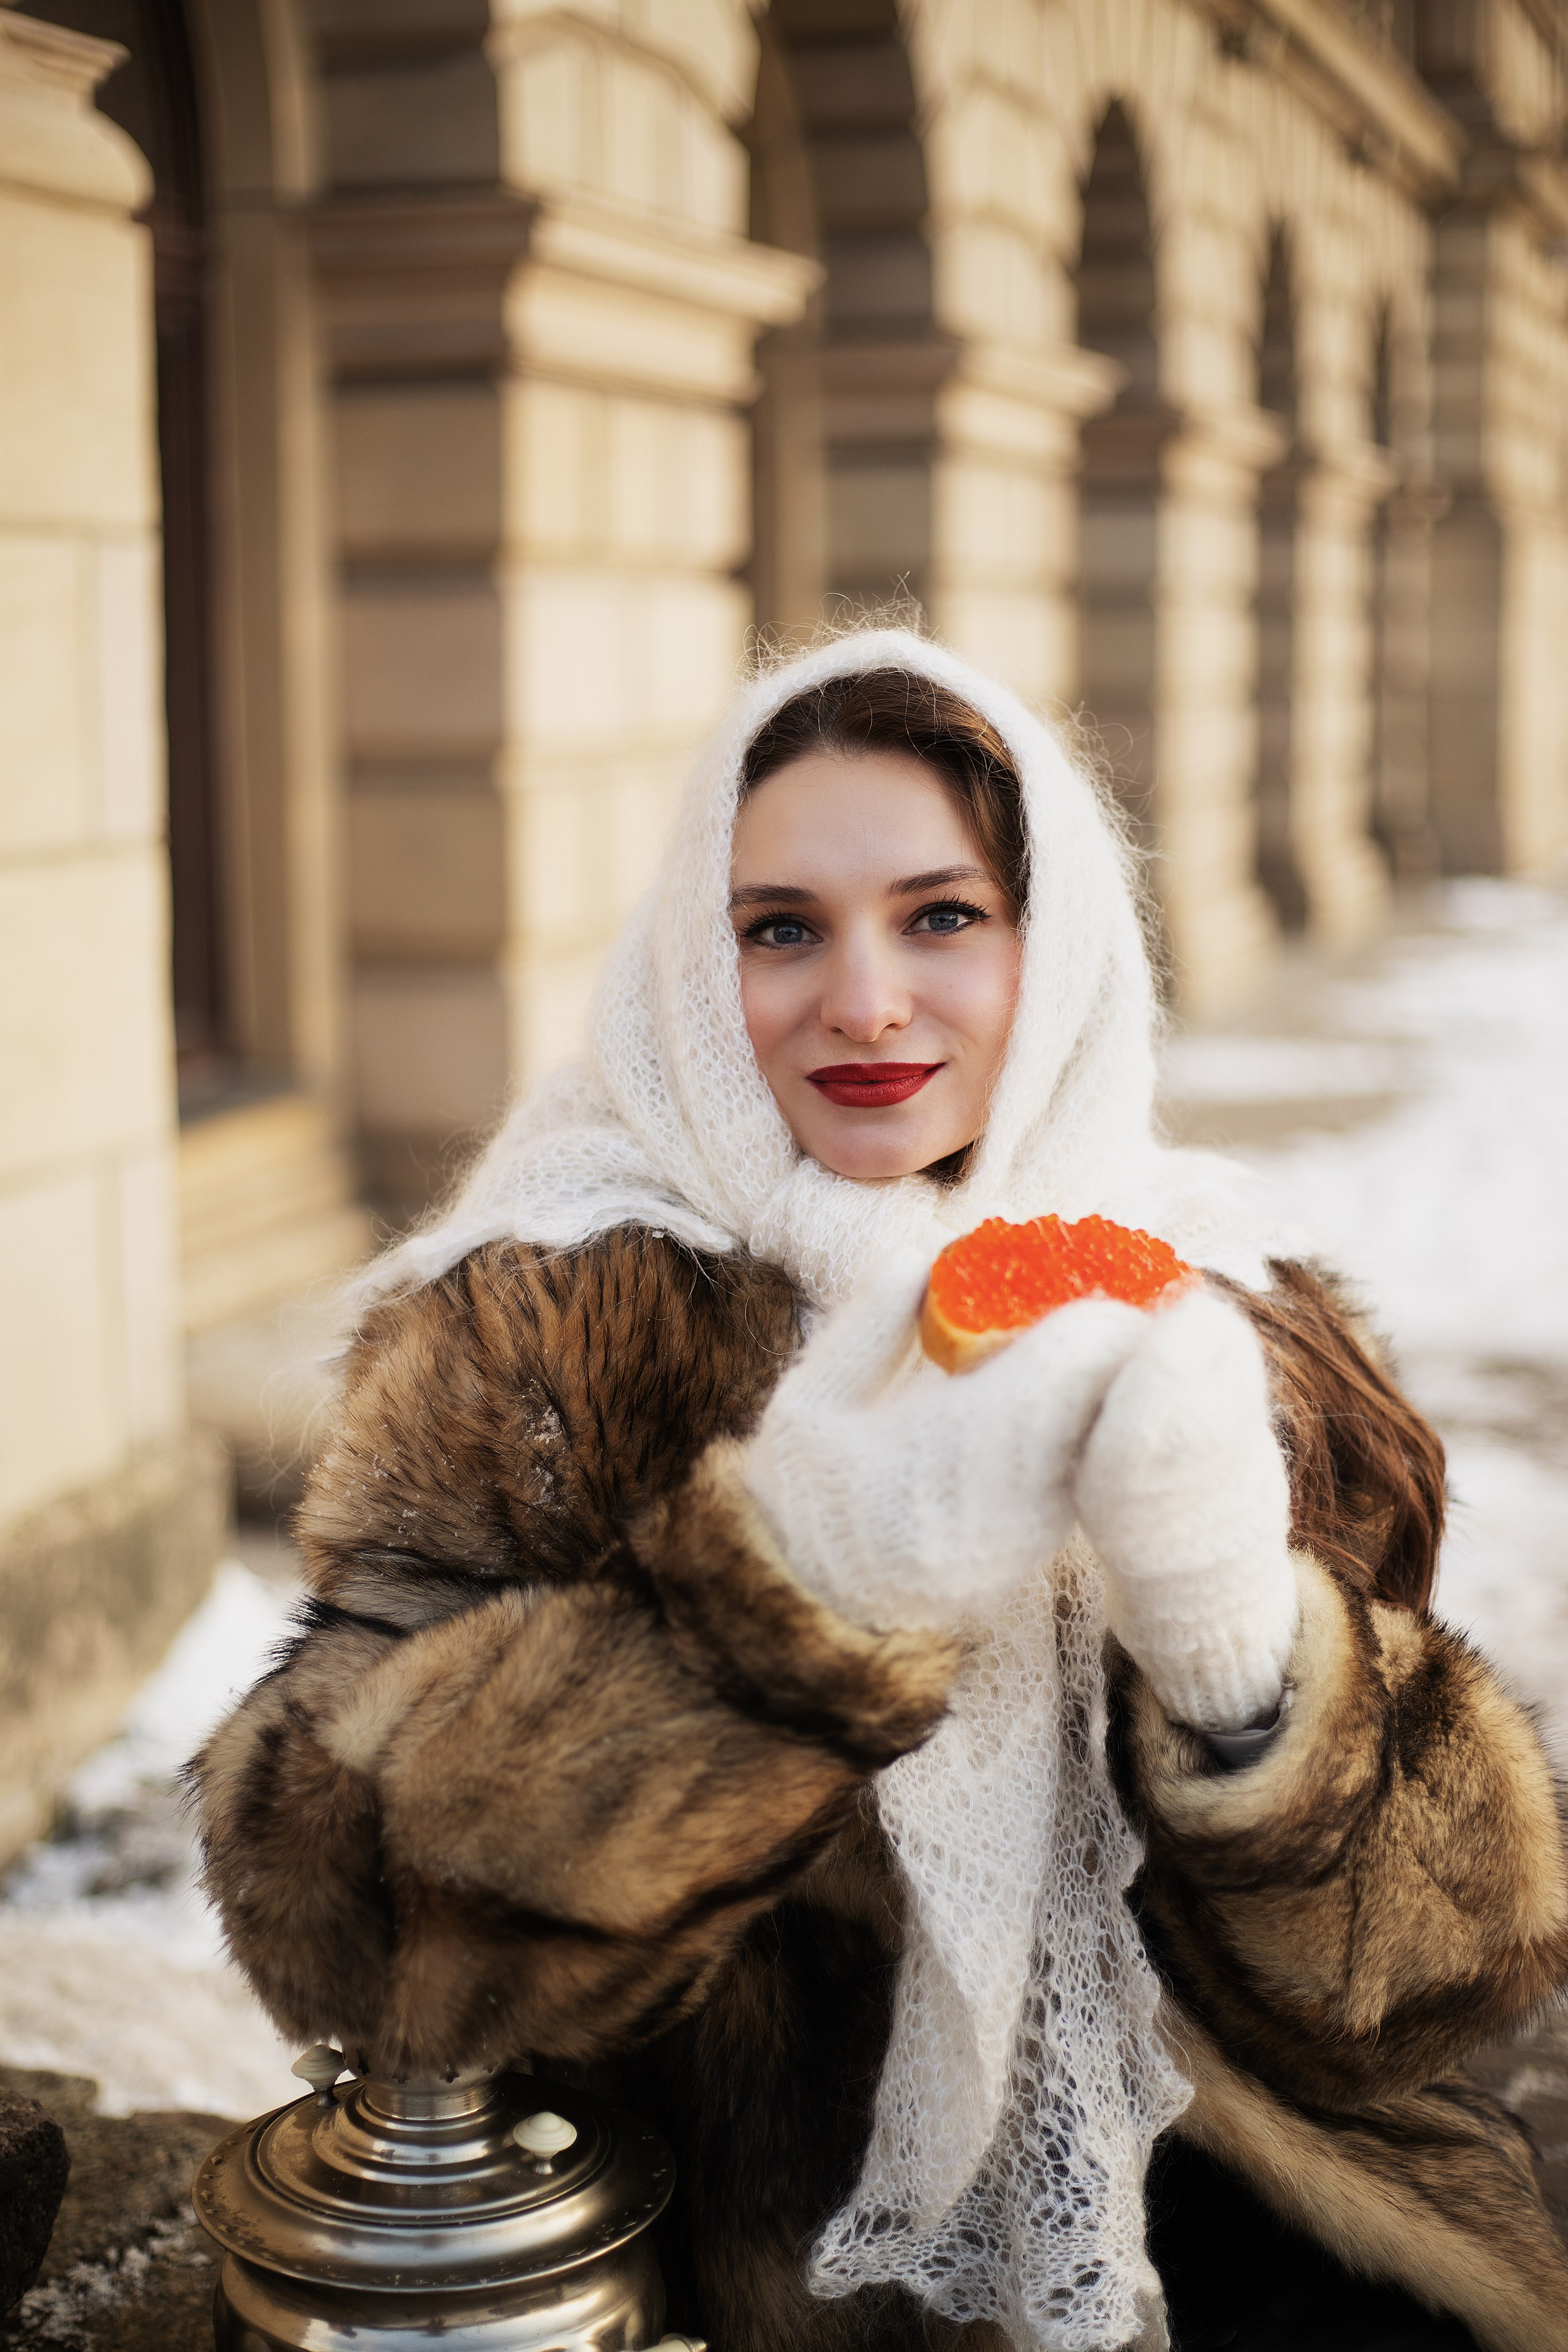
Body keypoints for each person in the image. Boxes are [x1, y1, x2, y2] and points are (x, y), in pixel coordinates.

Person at [192, 631, 1568, 2352]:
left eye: (942, 916)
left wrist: (1244, 1676)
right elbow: (327, 1917)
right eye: (781, 929)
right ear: (699, 961)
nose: (862, 1001)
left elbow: (1438, 1981)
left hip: (1258, 2226)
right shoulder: (555, 1316)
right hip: (771, 2281)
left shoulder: (1220, 1299)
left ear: (1048, 944)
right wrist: (794, 1587)